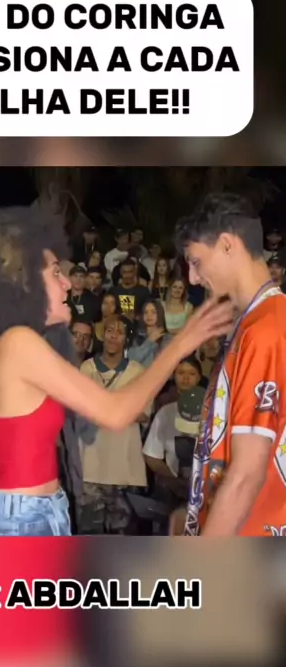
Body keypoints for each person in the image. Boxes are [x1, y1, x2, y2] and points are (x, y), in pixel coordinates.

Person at [0, 205, 233, 538]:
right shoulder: (18, 343)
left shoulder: (17, 344)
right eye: (56, 273)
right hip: (24, 522)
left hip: (33, 514)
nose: (67, 284)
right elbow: (115, 413)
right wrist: (183, 341)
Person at [175, 192, 286, 537]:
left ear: (227, 244)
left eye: (196, 262)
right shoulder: (252, 324)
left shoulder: (267, 328)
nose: (193, 278)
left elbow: (246, 475)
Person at [77, 315, 151, 534]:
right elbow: (81, 409)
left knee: (122, 538)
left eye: (119, 332)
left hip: (125, 469)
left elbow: (144, 414)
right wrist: (120, 408)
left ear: (126, 338)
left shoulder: (137, 371)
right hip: (91, 466)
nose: (113, 336)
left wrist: (104, 408)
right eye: (110, 330)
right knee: (89, 537)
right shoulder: (87, 368)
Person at [129, 300, 172, 368]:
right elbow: (133, 359)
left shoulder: (167, 338)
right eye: (146, 312)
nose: (149, 315)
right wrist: (150, 340)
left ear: (159, 314)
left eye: (153, 312)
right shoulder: (136, 337)